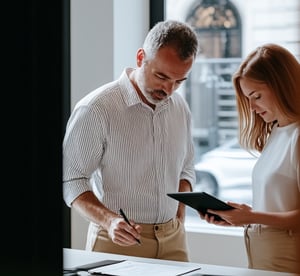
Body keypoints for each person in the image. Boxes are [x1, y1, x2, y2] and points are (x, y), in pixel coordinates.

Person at [63, 20, 199, 262]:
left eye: (179, 81)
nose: (168, 89)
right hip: (116, 242)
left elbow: (186, 167)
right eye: (161, 76)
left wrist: (179, 214)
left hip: (174, 241)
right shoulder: (95, 109)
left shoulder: (180, 107)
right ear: (140, 57)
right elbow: (71, 179)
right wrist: (110, 220)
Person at [200, 43, 300, 273]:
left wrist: (252, 216)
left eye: (256, 96)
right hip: (262, 252)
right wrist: (243, 215)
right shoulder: (277, 132)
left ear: (281, 86)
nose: (252, 107)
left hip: (288, 256)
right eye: (248, 99)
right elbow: (279, 201)